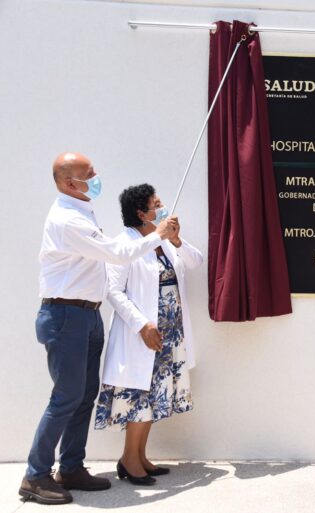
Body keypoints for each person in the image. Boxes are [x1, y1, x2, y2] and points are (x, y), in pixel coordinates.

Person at [21, 153, 178, 505]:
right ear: (68, 183)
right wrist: (158, 236)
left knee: (83, 396)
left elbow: (111, 251)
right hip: (65, 316)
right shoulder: (67, 220)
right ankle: (35, 476)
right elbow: (115, 253)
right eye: (87, 173)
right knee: (65, 398)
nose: (96, 176)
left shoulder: (81, 211)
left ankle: (72, 467)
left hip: (86, 315)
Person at [94, 184, 203, 486]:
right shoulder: (124, 245)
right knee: (139, 397)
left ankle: (140, 456)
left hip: (170, 332)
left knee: (155, 395)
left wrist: (178, 239)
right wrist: (142, 325)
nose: (162, 206)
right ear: (141, 213)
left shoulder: (165, 241)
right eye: (156, 204)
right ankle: (129, 459)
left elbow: (196, 261)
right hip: (142, 333)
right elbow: (114, 291)